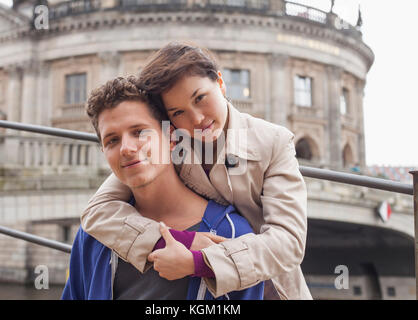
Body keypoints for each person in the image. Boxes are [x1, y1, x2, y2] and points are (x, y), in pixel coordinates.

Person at [81, 41, 312, 300]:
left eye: (200, 98)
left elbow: (289, 243)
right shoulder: (167, 140)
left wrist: (198, 261)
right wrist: (180, 240)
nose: (197, 119)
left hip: (271, 284)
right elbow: (98, 210)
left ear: (220, 83)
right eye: (178, 112)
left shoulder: (274, 141)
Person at [61, 76, 264, 300]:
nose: (126, 149)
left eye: (139, 132)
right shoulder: (94, 233)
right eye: (112, 140)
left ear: (172, 138)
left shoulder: (233, 235)